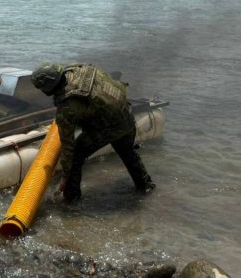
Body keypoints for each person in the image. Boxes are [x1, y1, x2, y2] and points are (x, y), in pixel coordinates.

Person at [30, 62, 155, 202]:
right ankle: (145, 186)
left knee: (76, 156)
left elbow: (68, 145)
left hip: (110, 125)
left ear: (47, 87)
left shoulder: (67, 107)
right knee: (126, 151)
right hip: (125, 111)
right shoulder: (77, 68)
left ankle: (71, 200)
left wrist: (66, 174)